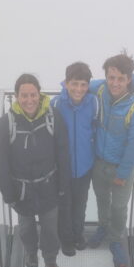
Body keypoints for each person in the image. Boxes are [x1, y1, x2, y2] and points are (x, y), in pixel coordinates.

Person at [0, 73, 71, 267]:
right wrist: (7, 193)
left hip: (49, 186)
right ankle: (30, 252)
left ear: (40, 94)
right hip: (21, 190)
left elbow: (63, 152)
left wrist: (63, 184)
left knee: (49, 227)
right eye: (24, 95)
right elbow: (2, 161)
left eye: (33, 95)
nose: (29, 100)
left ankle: (50, 259)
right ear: (17, 97)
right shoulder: (7, 122)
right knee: (26, 226)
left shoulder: (53, 116)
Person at [89, 51, 134, 267]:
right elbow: (75, 84)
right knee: (102, 200)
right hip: (100, 162)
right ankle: (102, 228)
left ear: (129, 79)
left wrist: (122, 174)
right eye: (111, 77)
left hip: (122, 167)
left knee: (119, 207)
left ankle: (116, 240)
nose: (115, 83)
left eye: (120, 79)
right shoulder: (101, 89)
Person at [52, 61, 97, 254]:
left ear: (88, 86)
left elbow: (95, 129)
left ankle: (78, 234)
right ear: (66, 83)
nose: (79, 89)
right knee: (64, 205)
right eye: (74, 84)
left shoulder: (94, 102)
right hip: (62, 168)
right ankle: (66, 239)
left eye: (83, 85)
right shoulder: (56, 104)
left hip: (85, 167)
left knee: (80, 204)